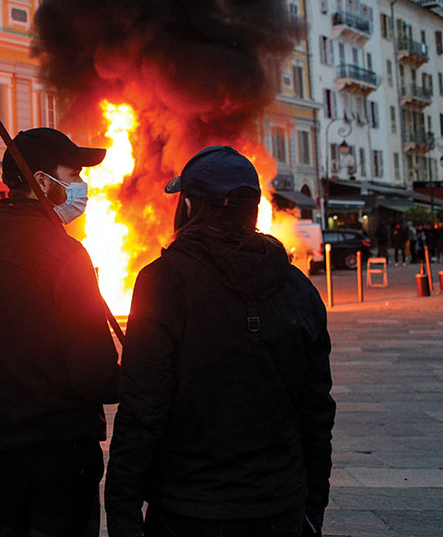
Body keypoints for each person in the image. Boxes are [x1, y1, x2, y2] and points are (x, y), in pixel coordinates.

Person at [106, 145, 335, 537]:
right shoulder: (299, 288)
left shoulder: (163, 282)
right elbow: (316, 412)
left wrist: (123, 510)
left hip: (189, 509)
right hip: (279, 505)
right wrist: (313, 506)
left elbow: (143, 406)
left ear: (191, 208)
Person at [0, 127, 119, 537]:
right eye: (71, 176)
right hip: (61, 450)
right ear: (40, 181)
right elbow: (95, 371)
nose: (80, 186)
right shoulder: (64, 254)